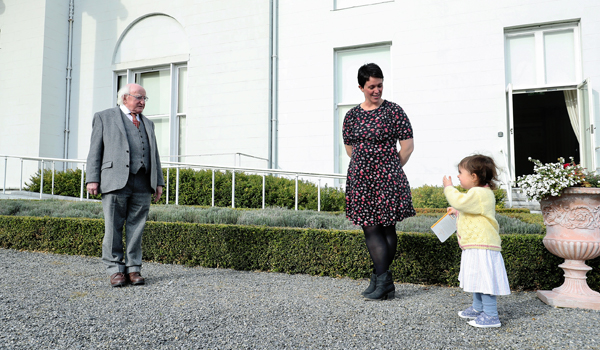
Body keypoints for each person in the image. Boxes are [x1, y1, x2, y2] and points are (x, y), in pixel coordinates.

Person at [343, 63, 416, 301]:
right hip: (361, 180)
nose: (377, 90)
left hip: (388, 179)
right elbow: (350, 150)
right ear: (361, 87)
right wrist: (366, 168)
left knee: (387, 227)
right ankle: (381, 279)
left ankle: (382, 281)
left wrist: (389, 169)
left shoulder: (394, 111)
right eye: (371, 86)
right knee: (370, 227)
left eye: (380, 85)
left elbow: (407, 147)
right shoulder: (351, 116)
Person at [86, 83, 164, 287]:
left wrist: (158, 182)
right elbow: (95, 150)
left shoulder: (148, 123)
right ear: (124, 98)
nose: (142, 102)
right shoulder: (104, 117)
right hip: (114, 180)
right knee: (113, 227)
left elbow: (154, 154)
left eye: (144, 99)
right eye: (139, 97)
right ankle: (115, 270)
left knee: (136, 228)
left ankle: (133, 269)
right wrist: (92, 178)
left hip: (143, 181)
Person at [442, 154, 510, 328]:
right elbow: (471, 211)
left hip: (483, 245)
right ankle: (479, 308)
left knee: (484, 280)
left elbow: (459, 201)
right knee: (477, 277)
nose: (457, 176)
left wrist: (448, 187)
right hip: (477, 244)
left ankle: (491, 315)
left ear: (473, 177)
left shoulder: (479, 192)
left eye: (460, 172)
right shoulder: (480, 193)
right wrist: (458, 213)